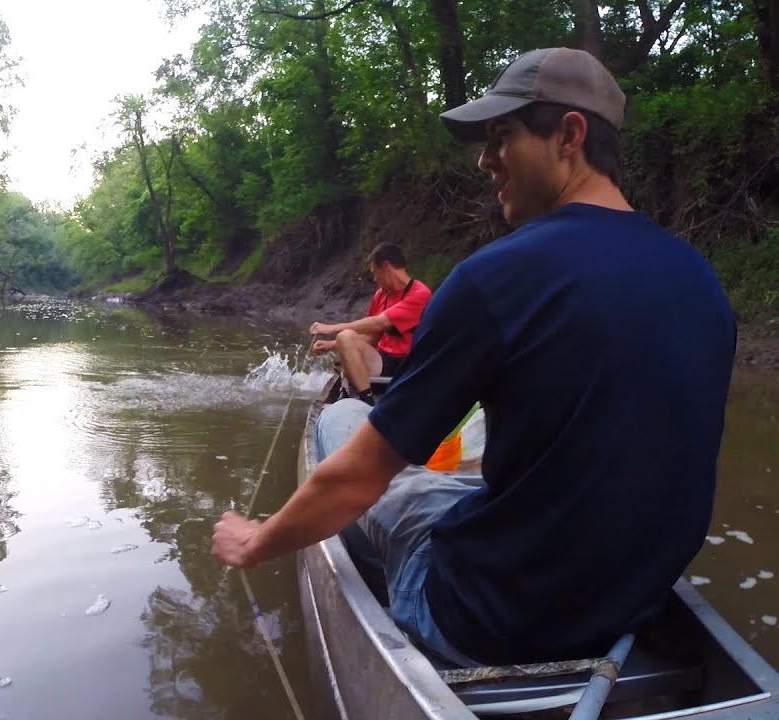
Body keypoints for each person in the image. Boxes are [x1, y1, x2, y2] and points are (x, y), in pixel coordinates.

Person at [213, 47, 736, 667]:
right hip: (628, 610)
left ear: (569, 136)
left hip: (483, 618)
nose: (486, 161)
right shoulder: (701, 279)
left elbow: (359, 478)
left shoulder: (498, 276)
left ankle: (396, 585)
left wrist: (256, 541)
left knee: (338, 424)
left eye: (502, 137)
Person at [307, 243, 431, 406]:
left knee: (344, 334)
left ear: (386, 267)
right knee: (346, 337)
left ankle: (366, 401)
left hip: (407, 366)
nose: (374, 279)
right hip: (382, 361)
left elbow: (380, 322)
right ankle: (366, 398)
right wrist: (332, 344)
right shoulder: (381, 294)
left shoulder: (419, 294)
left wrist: (330, 328)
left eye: (375, 273)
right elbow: (371, 336)